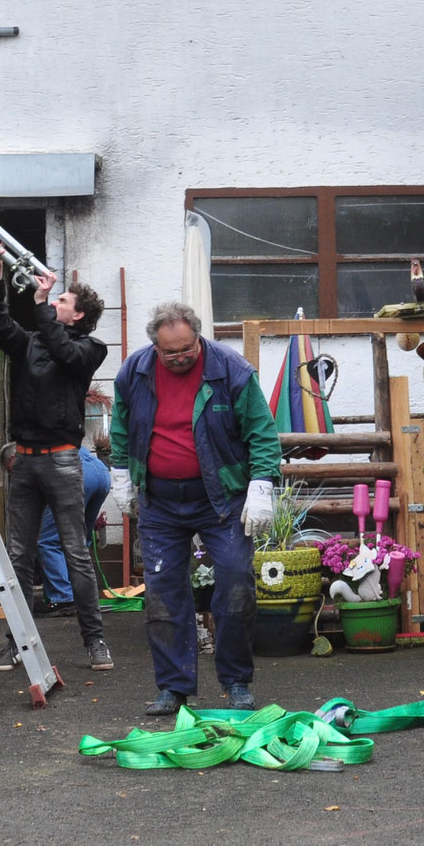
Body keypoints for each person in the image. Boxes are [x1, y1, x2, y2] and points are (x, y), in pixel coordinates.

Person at [107, 302, 279, 717]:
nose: (181, 357)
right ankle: (173, 688)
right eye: (171, 353)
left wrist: (261, 485)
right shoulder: (135, 372)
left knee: (237, 583)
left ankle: (236, 682)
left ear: (198, 338)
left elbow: (261, 431)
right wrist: (120, 473)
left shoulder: (230, 370)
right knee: (164, 594)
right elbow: (121, 426)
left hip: (221, 500)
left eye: (188, 348)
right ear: (155, 348)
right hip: (161, 502)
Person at [0, 239, 113, 673]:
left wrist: (38, 303)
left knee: (75, 551)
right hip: (26, 458)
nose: (54, 300)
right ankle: (16, 644)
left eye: (62, 299)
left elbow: (64, 352)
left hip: (61, 459)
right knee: (18, 556)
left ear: (77, 316)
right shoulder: (35, 340)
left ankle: (95, 642)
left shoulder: (90, 349)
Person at [34, 427, 113, 615]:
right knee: (79, 540)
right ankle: (84, 597)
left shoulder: (28, 450)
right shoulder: (57, 432)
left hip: (77, 473)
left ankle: (62, 598)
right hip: (100, 472)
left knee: (48, 541)